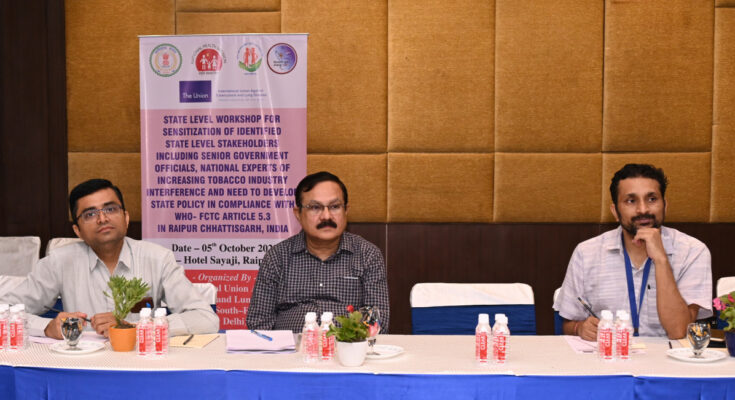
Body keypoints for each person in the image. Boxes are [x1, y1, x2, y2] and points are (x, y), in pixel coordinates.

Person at [0, 179, 219, 338]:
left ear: (125, 217)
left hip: (141, 361)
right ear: (77, 230)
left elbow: (206, 318)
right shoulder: (60, 262)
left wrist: (138, 327)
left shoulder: (158, 259)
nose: (102, 218)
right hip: (82, 366)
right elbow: (4, 310)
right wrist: (46, 328)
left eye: (110, 209)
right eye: (90, 214)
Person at [554, 164, 712, 340]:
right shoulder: (587, 253)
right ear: (615, 211)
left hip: (667, 356)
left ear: (665, 206)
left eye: (652, 199)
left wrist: (661, 260)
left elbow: (679, 331)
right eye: (631, 201)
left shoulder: (693, 251)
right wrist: (580, 328)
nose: (643, 209)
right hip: (609, 354)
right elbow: (567, 324)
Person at [247, 171, 390, 332]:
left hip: (348, 346)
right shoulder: (278, 256)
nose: (326, 216)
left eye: (335, 207)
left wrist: (347, 343)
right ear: (298, 214)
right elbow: (259, 322)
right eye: (315, 207)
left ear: (346, 210)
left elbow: (376, 321)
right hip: (290, 347)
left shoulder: (367, 255)